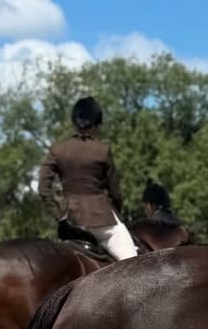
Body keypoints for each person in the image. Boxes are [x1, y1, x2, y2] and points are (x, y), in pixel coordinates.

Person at [37, 97, 137, 262]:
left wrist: (59, 216)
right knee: (134, 264)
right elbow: (115, 193)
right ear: (97, 124)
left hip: (70, 223)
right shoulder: (102, 150)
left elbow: (43, 188)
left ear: (74, 122)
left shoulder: (58, 150)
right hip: (102, 220)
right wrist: (117, 213)